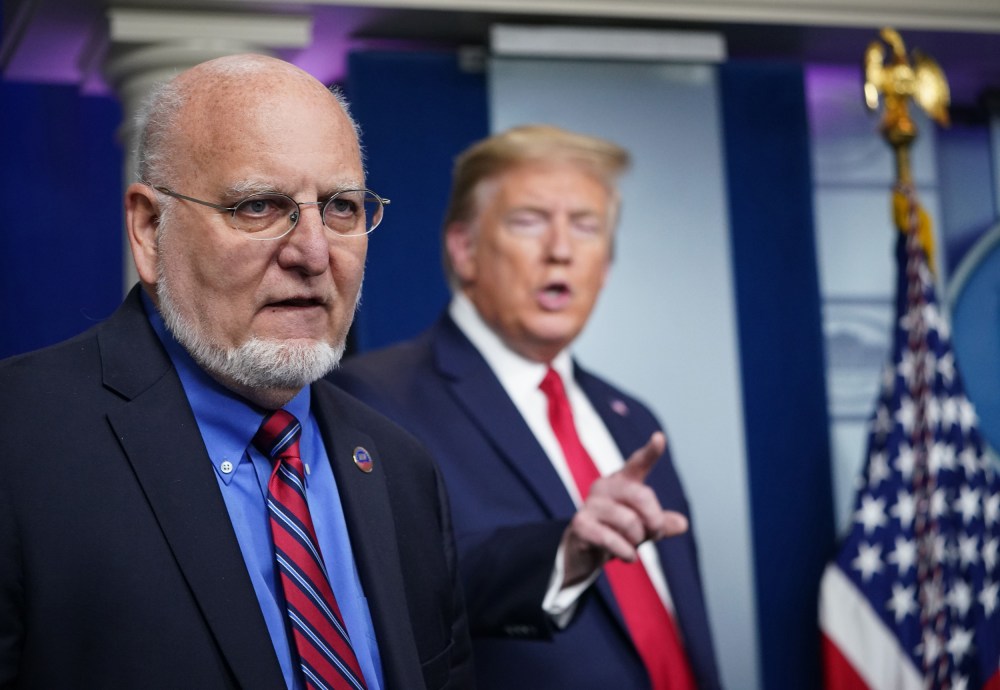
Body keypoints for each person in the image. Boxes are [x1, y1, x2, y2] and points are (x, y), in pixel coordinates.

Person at [0, 54, 472, 690]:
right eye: (258, 206)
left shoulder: (400, 470)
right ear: (148, 228)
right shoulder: (18, 443)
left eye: (341, 208)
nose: (312, 252)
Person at [330, 125, 722, 689]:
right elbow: (397, 598)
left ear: (606, 265)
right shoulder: (372, 399)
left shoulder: (633, 419)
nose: (560, 249)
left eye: (585, 226)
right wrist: (563, 551)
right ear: (464, 248)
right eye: (530, 220)